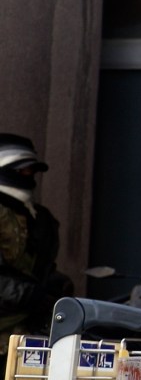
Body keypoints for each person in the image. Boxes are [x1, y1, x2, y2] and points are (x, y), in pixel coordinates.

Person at [0, 133, 71, 339]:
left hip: (28, 336)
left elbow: (42, 268)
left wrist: (57, 287)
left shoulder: (41, 218)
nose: (29, 175)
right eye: (22, 170)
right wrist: (33, 295)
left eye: (31, 170)